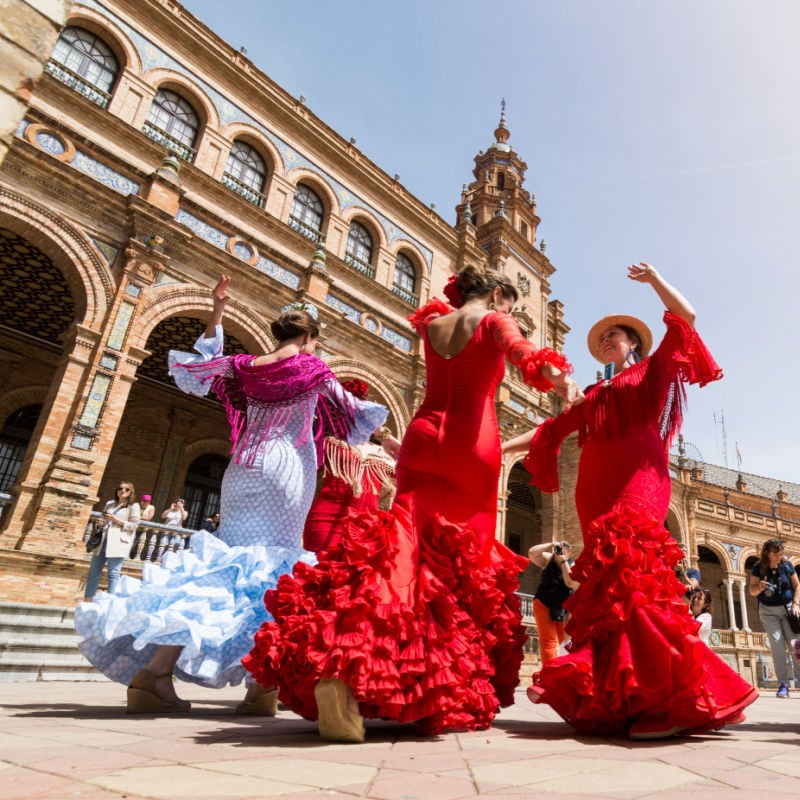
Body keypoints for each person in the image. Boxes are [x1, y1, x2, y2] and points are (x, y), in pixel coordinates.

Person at [244, 264, 579, 742]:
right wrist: (559, 378)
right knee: (461, 566)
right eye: (510, 304)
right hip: (471, 444)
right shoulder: (492, 320)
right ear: (499, 294)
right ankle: (429, 683)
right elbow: (526, 354)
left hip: (423, 436)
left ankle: (343, 669)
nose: (512, 313)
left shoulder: (434, 324)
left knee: (400, 551)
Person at [75, 275, 387, 715]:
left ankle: (155, 673)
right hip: (285, 469)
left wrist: (218, 309)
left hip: (241, 469)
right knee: (274, 571)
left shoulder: (243, 368)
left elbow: (200, 366)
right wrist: (387, 441)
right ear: (309, 337)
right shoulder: (312, 368)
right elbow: (350, 412)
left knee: (221, 566)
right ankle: (261, 686)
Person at [503, 262, 757, 739]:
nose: (607, 342)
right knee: (610, 592)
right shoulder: (594, 392)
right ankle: (627, 695)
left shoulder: (651, 372)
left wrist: (656, 280)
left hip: (640, 480)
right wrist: (495, 449)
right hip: (594, 491)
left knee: (634, 571)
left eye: (615, 336)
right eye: (602, 339)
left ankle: (664, 698)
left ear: (633, 344)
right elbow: (549, 431)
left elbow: (688, 318)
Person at [302, 379, 398, 554]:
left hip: (365, 532)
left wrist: (385, 435)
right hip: (325, 521)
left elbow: (412, 473)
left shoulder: (385, 454)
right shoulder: (329, 442)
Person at [749, 538, 800, 698]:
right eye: (776, 554)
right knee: (777, 646)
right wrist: (759, 587)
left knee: (796, 647)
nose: (779, 556)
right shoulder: (758, 568)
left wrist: (796, 603)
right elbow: (751, 591)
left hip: (788, 610)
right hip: (768, 612)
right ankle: (783, 685)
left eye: (780, 553)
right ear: (767, 553)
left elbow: (797, 585)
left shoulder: (787, 566)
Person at [84, 482, 141, 601]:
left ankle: (109, 602)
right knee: (93, 572)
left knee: (113, 573)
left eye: (127, 489)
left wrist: (116, 520)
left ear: (131, 492)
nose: (123, 491)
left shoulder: (133, 506)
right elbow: (103, 518)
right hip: (103, 541)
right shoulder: (110, 504)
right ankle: (88, 600)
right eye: (120, 488)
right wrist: (100, 522)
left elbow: (134, 525)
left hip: (118, 542)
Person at [526, 541, 578, 666]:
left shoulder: (572, 564)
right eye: (559, 549)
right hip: (543, 603)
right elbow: (532, 553)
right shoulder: (548, 560)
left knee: (566, 641)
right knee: (548, 641)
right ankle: (548, 673)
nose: (560, 551)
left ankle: (566, 669)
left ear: (569, 552)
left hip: (564, 608)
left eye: (564, 549)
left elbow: (570, 583)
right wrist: (551, 545)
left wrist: (563, 561)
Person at [129, 493, 155, 559]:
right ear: (141, 500)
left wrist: (137, 517)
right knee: (129, 541)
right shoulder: (136, 505)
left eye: (147, 501)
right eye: (144, 501)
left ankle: (130, 555)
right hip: (132, 527)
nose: (145, 502)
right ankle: (126, 554)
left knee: (136, 542)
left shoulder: (151, 507)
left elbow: (149, 518)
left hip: (142, 529)